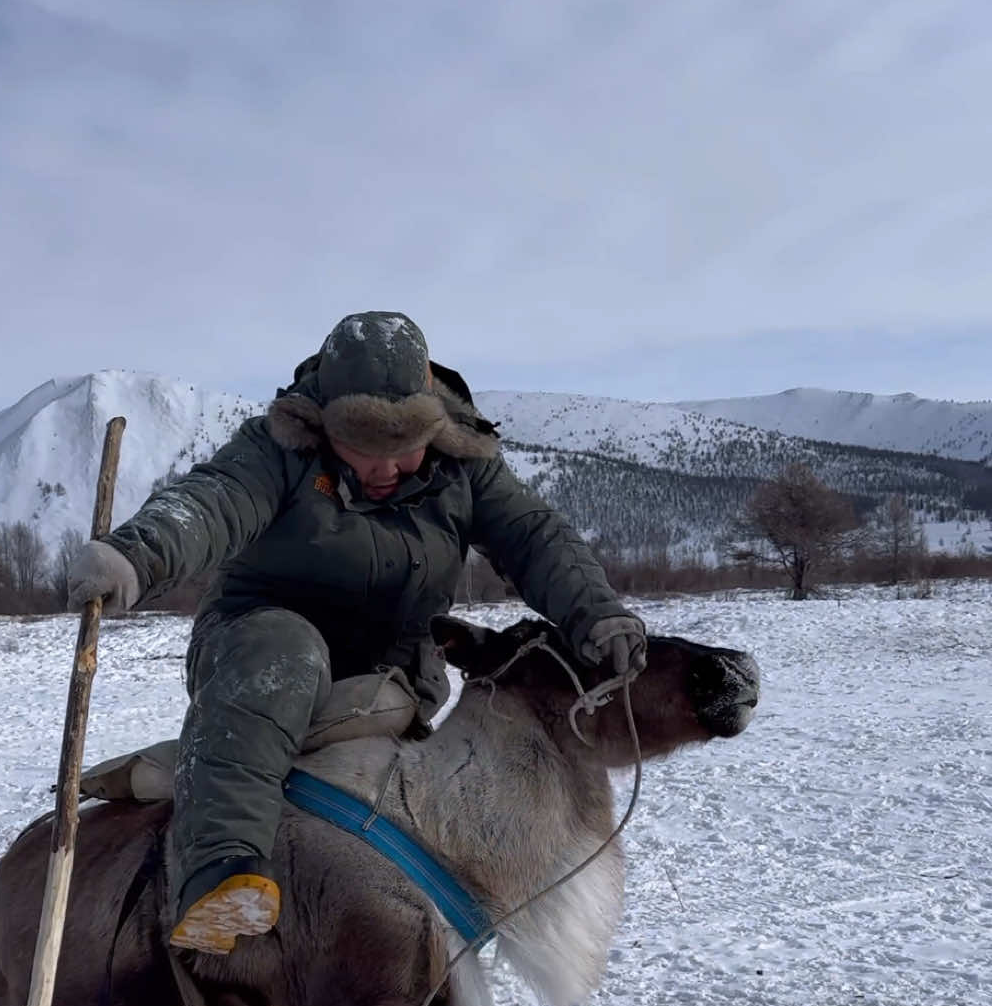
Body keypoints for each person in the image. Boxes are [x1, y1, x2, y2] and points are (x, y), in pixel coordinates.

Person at [67, 311, 645, 955]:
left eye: (404, 448)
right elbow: (212, 501)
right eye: (362, 448)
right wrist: (136, 554)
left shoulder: (464, 466)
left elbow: (536, 536)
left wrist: (596, 612)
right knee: (289, 653)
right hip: (257, 656)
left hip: (389, 683)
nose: (385, 468)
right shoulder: (276, 450)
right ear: (323, 425)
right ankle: (219, 876)